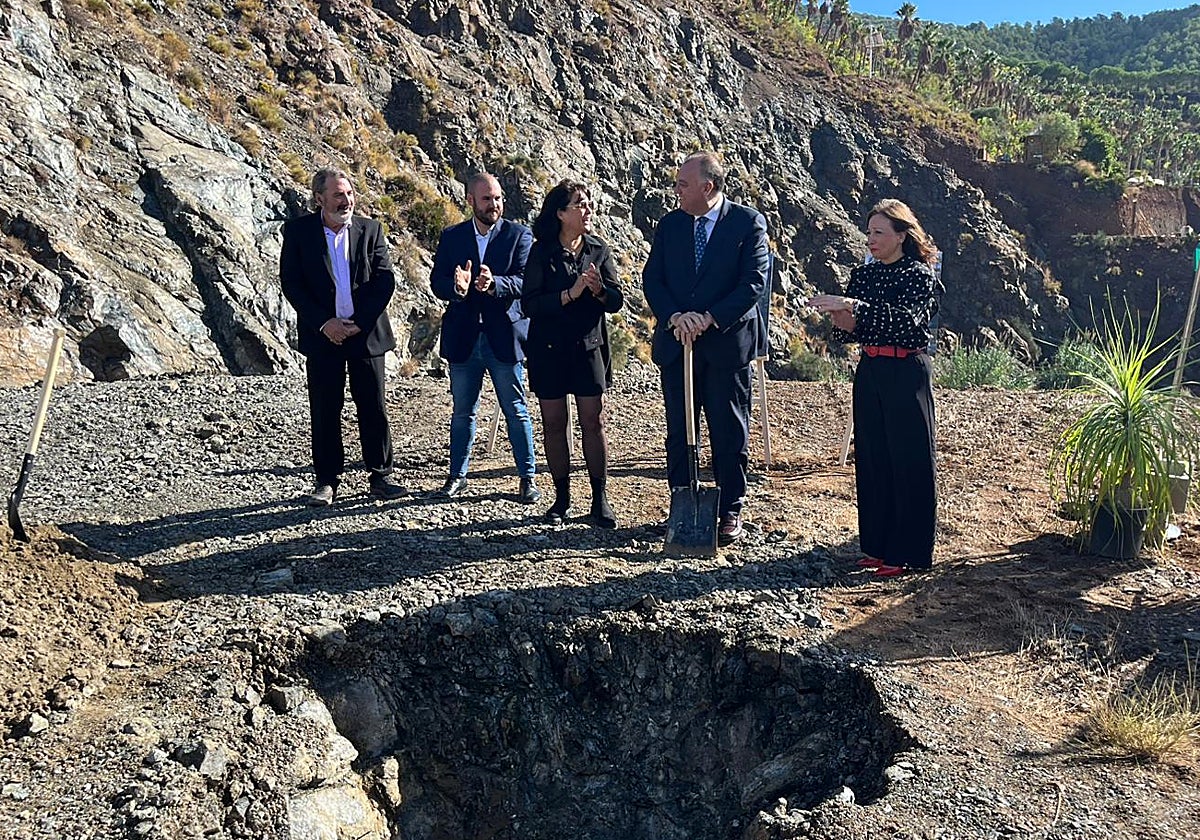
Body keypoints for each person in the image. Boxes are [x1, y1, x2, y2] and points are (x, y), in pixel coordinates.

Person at [642, 151, 769, 546]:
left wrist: (710, 317)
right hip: (679, 344)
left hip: (726, 346)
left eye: (682, 184)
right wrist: (676, 316)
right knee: (680, 431)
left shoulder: (747, 224)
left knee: (728, 429)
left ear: (707, 187)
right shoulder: (671, 225)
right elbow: (653, 279)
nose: (676, 190)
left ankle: (730, 507)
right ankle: (682, 502)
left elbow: (753, 282)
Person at [809, 198, 940, 578]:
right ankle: (877, 547)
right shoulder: (864, 275)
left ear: (902, 235)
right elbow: (850, 332)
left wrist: (854, 305)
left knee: (909, 460)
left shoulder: (919, 275)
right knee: (874, 458)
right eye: (869, 232)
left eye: (879, 233)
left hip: (906, 371)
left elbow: (908, 322)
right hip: (871, 369)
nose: (871, 240)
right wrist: (840, 313)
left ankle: (907, 551)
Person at [280, 167, 407, 506]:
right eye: (338, 195)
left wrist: (358, 322)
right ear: (319, 198)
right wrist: (326, 323)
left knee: (373, 406)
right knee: (324, 408)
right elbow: (292, 283)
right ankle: (326, 481)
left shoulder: (371, 229)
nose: (346, 200)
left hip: (365, 334)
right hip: (324, 336)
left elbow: (384, 280)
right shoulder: (298, 233)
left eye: (349, 193)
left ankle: (381, 476)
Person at [430, 173, 539, 504]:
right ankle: (457, 477)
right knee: (463, 410)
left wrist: (495, 285)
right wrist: (457, 288)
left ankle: (527, 478)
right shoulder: (452, 237)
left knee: (515, 408)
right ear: (471, 201)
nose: (494, 205)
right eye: (487, 199)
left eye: (498, 198)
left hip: (503, 336)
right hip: (464, 336)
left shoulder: (519, 235)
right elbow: (437, 282)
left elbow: (526, 281)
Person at [522, 180, 625, 528]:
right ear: (562, 213)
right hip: (548, 349)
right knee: (554, 423)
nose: (588, 209)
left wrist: (597, 291)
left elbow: (616, 300)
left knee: (593, 422)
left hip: (588, 347)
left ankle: (600, 499)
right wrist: (569, 293)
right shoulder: (541, 252)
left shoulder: (599, 249)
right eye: (580, 204)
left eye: (589, 202)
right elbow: (530, 303)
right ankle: (561, 498)